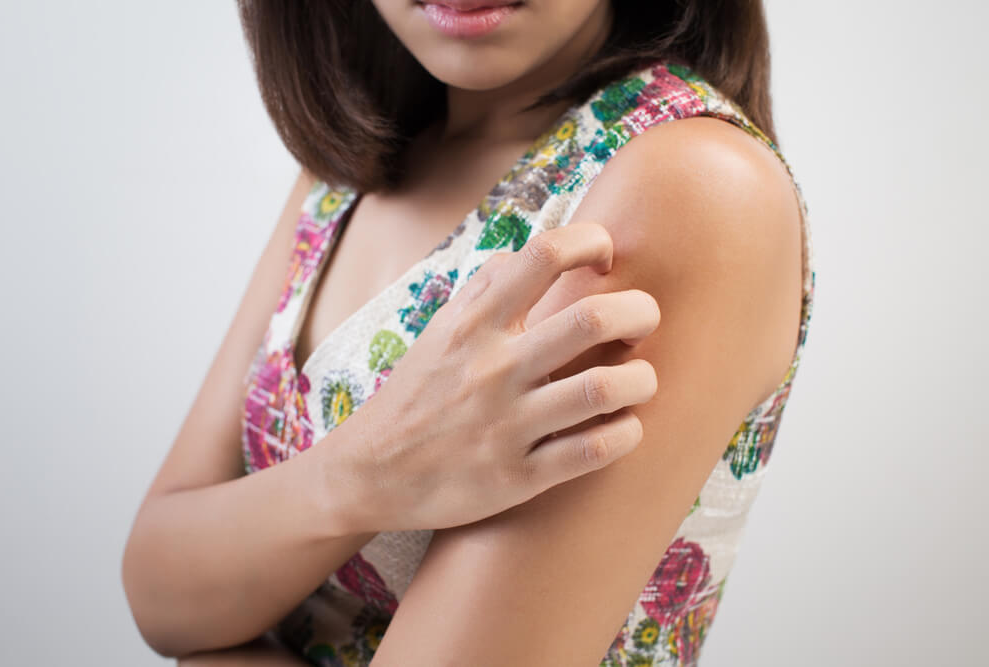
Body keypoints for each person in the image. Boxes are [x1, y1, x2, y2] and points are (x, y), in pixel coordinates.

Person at [122, 1, 816, 665]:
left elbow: (190, 614)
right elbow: (157, 591)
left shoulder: (688, 185)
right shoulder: (351, 165)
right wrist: (366, 474)